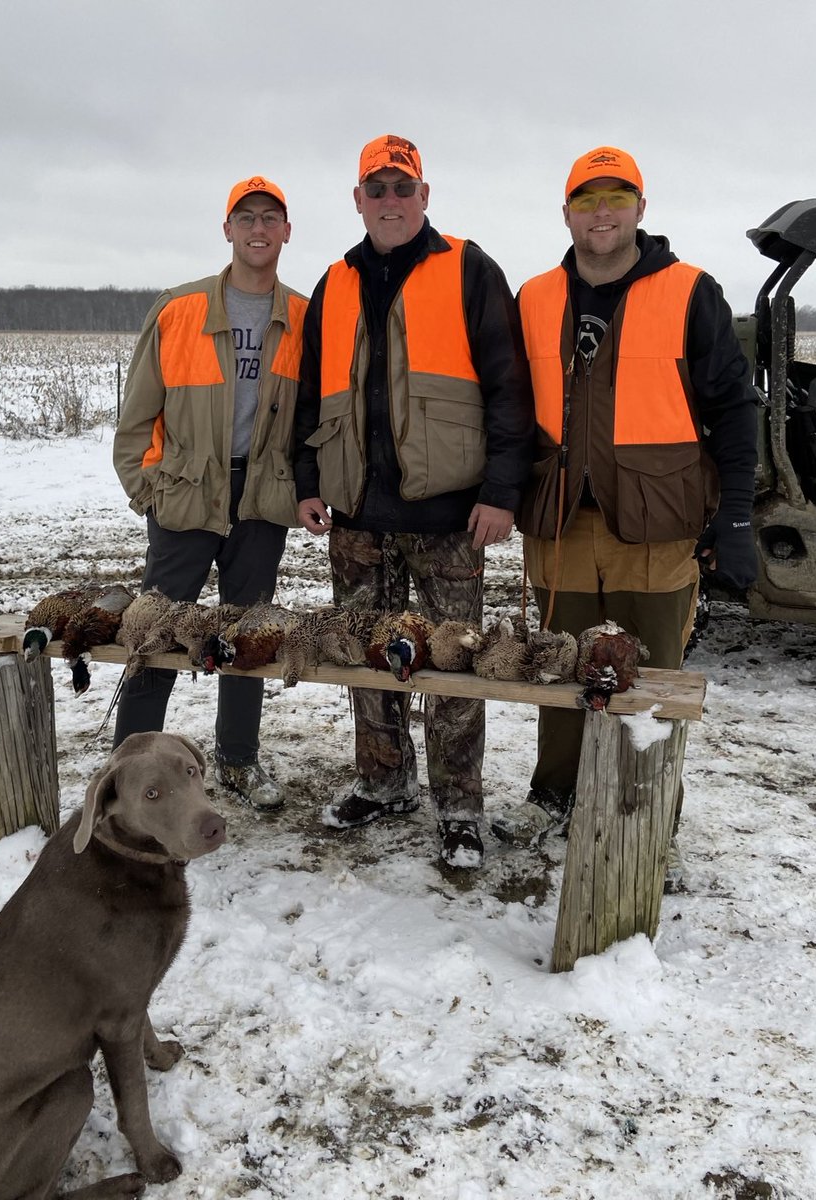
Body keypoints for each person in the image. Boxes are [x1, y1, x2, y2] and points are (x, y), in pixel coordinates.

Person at [511, 145, 758, 861]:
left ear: (641, 209)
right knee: (560, 667)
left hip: (657, 524)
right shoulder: (533, 298)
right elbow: (508, 410)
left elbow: (734, 409)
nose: (602, 212)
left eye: (617, 197)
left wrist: (736, 517)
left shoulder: (690, 292)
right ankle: (555, 796)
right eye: (586, 199)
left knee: (646, 679)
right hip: (558, 520)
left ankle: (645, 816)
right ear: (565, 213)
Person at [293, 134, 534, 869]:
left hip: (449, 516)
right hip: (357, 518)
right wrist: (308, 481)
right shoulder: (334, 283)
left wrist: (501, 493)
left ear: (424, 195)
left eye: (403, 187)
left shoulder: (467, 267)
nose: (390, 200)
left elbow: (508, 388)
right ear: (358, 199)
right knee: (366, 661)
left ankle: (458, 807)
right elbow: (309, 393)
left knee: (454, 667)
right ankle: (383, 782)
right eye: (377, 188)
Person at [112, 176, 308, 810]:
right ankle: (131, 772)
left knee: (248, 636)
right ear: (227, 230)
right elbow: (136, 417)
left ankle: (239, 761)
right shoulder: (180, 309)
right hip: (188, 495)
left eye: (270, 218)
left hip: (262, 500)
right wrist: (149, 492)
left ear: (287, 231)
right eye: (245, 218)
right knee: (156, 637)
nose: (258, 228)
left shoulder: (304, 317)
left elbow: (313, 418)